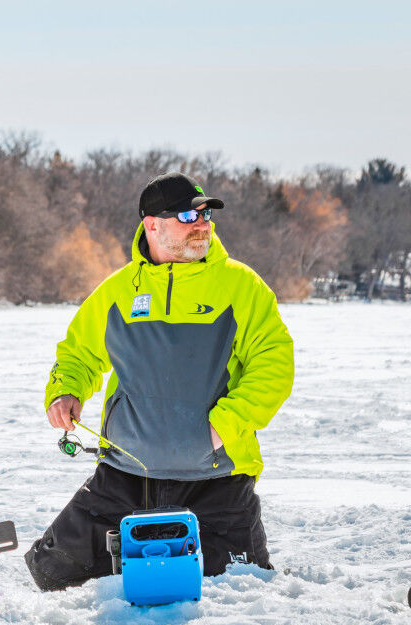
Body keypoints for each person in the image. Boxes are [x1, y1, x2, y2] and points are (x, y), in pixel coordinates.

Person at [25, 172, 294, 592]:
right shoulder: (117, 292)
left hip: (217, 478)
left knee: (241, 589)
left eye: (205, 214)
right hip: (125, 475)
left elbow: (273, 365)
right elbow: (77, 353)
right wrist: (66, 391)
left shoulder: (242, 287)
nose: (201, 224)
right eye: (187, 215)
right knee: (52, 572)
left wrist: (224, 425)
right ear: (153, 224)